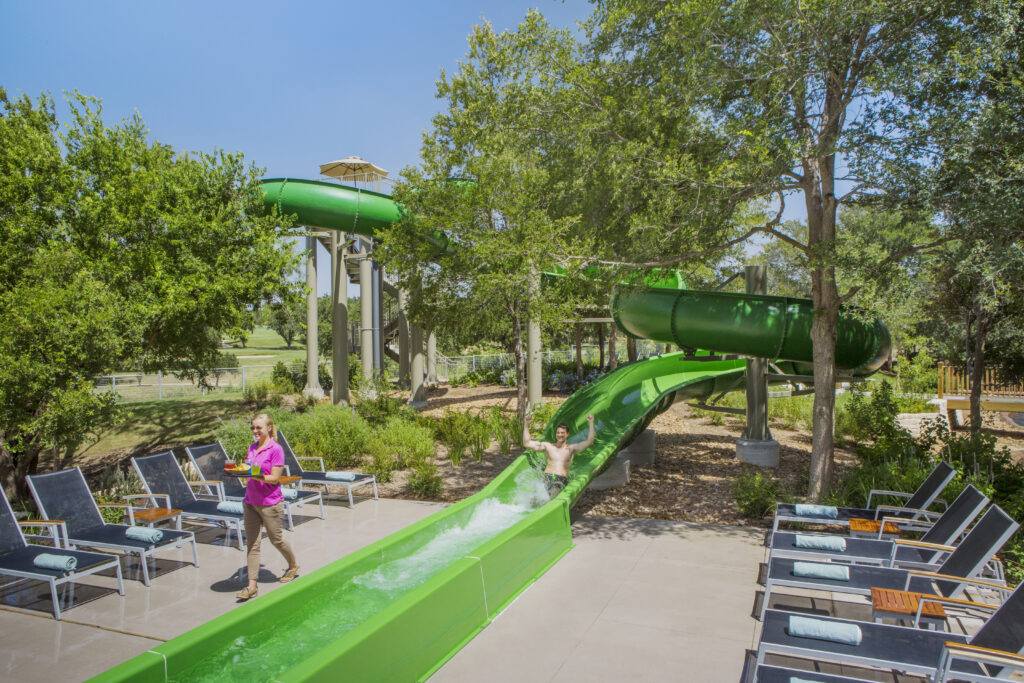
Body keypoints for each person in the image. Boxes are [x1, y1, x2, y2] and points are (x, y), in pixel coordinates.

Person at [236, 413, 300, 600]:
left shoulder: (276, 449)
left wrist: (254, 476)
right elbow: (250, 469)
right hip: (250, 502)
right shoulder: (252, 448)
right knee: (252, 544)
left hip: (270, 503)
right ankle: (251, 586)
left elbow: (274, 478)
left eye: (259, 428)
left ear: (269, 428)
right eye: (253, 428)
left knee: (276, 540)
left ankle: (293, 565)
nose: (255, 431)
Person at [522, 413, 596, 496]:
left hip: (561, 479)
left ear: (567, 434)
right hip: (549, 476)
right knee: (534, 500)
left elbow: (589, 441)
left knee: (553, 493)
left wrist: (591, 423)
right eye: (558, 433)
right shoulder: (548, 446)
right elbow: (527, 443)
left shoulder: (571, 449)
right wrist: (526, 424)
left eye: (562, 433)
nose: (559, 435)